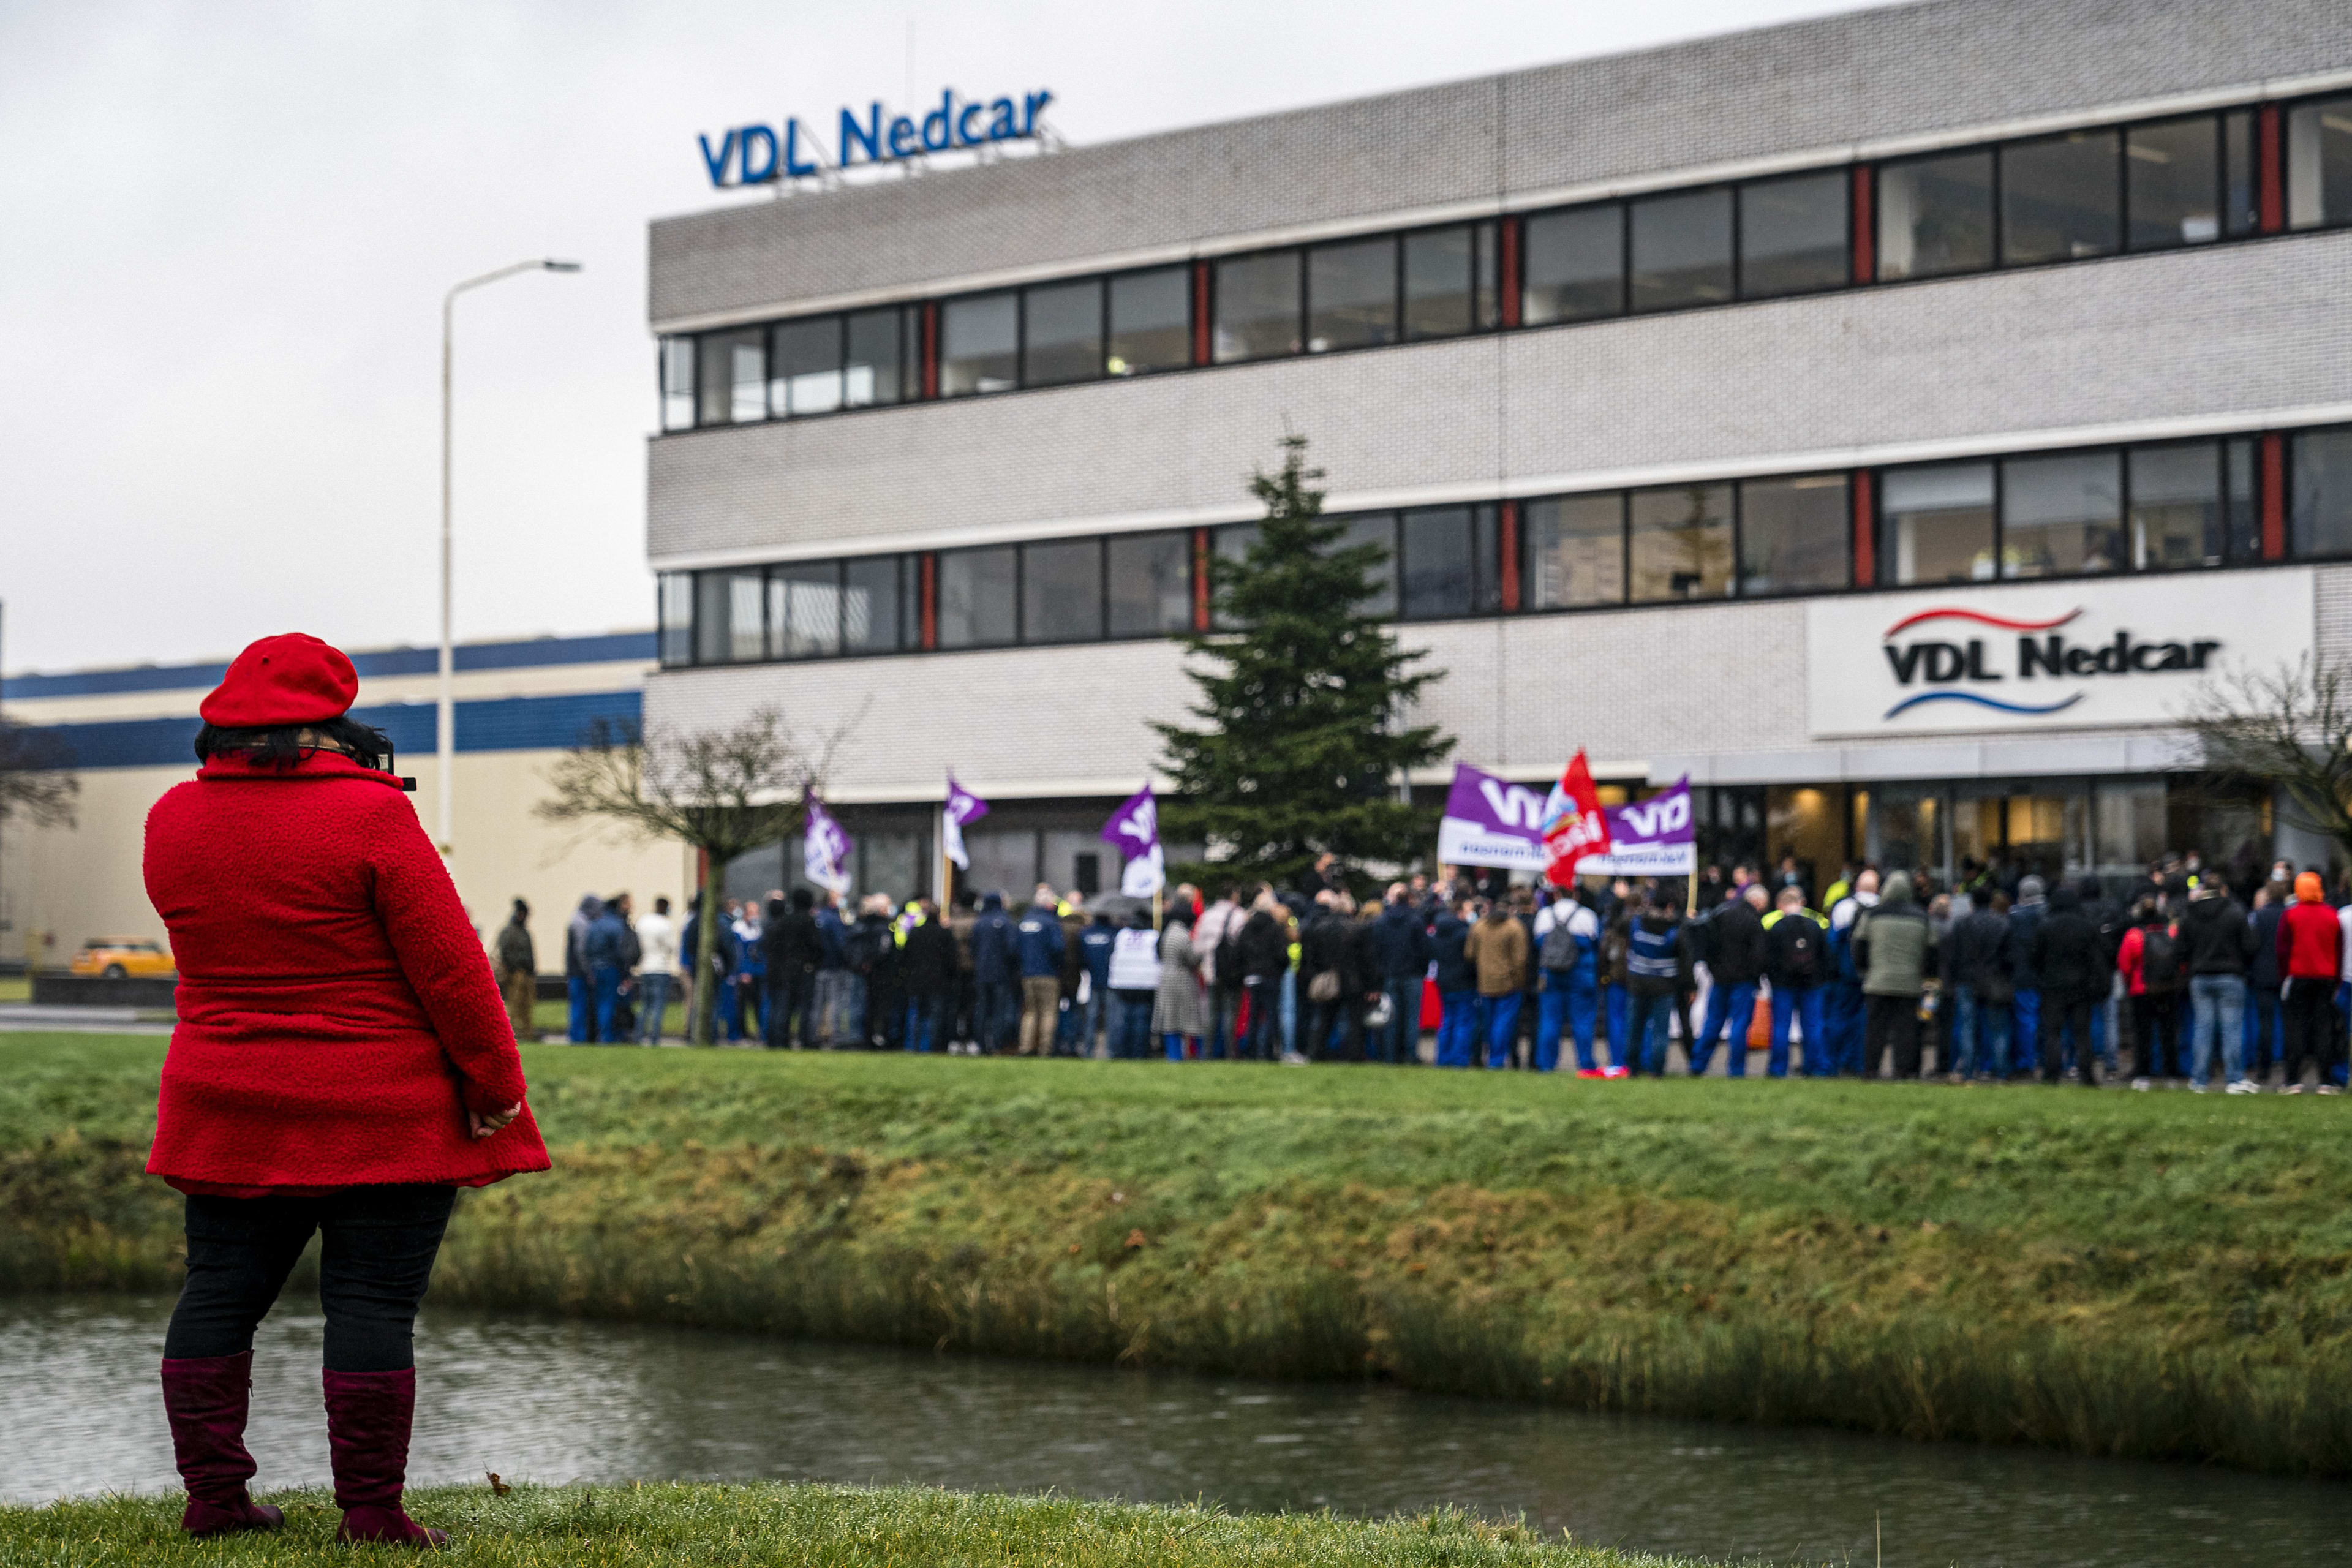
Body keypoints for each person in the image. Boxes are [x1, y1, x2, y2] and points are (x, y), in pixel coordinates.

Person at [145, 632, 549, 1546]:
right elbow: (453, 972)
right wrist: (494, 1085)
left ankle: (214, 1499)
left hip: (227, 1103)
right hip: (383, 1115)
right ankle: (370, 1513)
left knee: (217, 1295)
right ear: (331, 726)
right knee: (370, 1308)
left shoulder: (170, 819)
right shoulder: (370, 819)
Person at [2181, 872, 2258, 1092]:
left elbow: (2181, 948)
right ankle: (2234, 1078)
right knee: (2232, 1028)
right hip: (2231, 975)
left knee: (2203, 1027)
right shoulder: (2235, 912)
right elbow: (2251, 946)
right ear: (2223, 889)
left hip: (2200, 976)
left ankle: (2199, 1079)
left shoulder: (2191, 914)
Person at [1853, 870, 1934, 1080]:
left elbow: (1858, 946)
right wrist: (1924, 973)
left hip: (1877, 981)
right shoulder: (1921, 916)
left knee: (1875, 1029)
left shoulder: (1872, 915)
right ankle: (1902, 1070)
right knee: (1905, 1030)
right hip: (1910, 982)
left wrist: (1865, 971)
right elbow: (1933, 949)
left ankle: (1871, 1070)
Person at [2030, 884, 2109, 1086]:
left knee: (2053, 1032)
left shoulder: (2046, 926)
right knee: (2082, 1033)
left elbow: (2035, 958)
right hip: (2081, 986)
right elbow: (2097, 958)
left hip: (2053, 986)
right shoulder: (2086, 926)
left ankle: (2052, 1073)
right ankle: (2086, 1074)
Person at [1691, 883, 1768, 1078]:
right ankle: (1736, 1069)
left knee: (1712, 1023)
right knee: (1739, 1026)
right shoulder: (1753, 921)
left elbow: (1707, 943)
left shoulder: (1720, 914)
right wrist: (1754, 976)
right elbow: (1759, 956)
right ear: (1758, 902)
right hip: (1744, 982)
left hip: (1720, 979)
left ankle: (1698, 1064)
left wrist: (1713, 969)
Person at [2278, 871, 2342, 1093]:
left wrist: (2284, 976)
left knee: (2295, 1028)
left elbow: (2283, 950)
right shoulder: (2331, 915)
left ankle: (2292, 1079)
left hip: (2298, 976)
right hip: (2325, 977)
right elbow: (2339, 949)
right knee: (2324, 1029)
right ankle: (2326, 1080)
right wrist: (2336, 979)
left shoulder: (2291, 915)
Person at [1941, 889, 2013, 1083]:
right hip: (1994, 979)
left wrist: (1951, 979)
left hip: (1967, 979)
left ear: (1972, 903)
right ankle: (2000, 1073)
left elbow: (1952, 955)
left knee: (1967, 1027)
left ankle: (1968, 1072)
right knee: (1998, 1028)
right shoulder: (2002, 923)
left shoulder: (1962, 924)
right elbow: (2009, 957)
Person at [1761, 887, 1829, 1079]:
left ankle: (1778, 1069)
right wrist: (1820, 978)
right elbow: (1825, 956)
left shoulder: (1777, 927)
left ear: (1780, 905)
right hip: (1811, 984)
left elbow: (1769, 958)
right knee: (1813, 1027)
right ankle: (1815, 1067)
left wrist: (1773, 980)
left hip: (1783, 985)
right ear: (1801, 903)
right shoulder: (1815, 925)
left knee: (1781, 1027)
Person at [1533, 887, 1600, 1073]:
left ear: (1556, 894)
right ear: (1576, 895)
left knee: (1550, 1021)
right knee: (1583, 1021)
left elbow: (1538, 943)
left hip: (1552, 974)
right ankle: (1586, 1064)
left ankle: (1546, 1064)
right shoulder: (1587, 915)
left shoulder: (1545, 915)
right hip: (1582, 975)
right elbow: (1596, 943)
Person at [1464, 896, 1529, 1069]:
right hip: (1509, 983)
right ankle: (1496, 1060)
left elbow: (1469, 953)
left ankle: (1484, 1056)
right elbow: (1520, 960)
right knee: (1503, 1023)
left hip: (1485, 982)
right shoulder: (1515, 928)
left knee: (1487, 1023)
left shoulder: (1478, 926)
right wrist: (1520, 981)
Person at [1371, 884, 1433, 1066]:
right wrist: (1421, 970)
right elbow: (1424, 950)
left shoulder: (1382, 921)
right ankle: (1410, 1055)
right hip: (1412, 974)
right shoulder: (1415, 921)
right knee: (1412, 1017)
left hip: (1390, 974)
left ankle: (1391, 1055)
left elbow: (1377, 950)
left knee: (1391, 1017)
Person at [1621, 895, 1680, 1076]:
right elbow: (1682, 955)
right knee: (1660, 1030)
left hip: (1638, 982)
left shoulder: (1638, 923)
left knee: (1634, 1028)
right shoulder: (1673, 929)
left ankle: (1633, 1068)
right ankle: (1657, 1070)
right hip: (1664, 985)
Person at [760, 889, 819, 1049]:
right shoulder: (809, 921)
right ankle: (805, 1039)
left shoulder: (785, 921)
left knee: (785, 1006)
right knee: (805, 1007)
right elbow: (816, 945)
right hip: (804, 968)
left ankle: (781, 1040)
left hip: (786, 968)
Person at [1298, 892, 1352, 1061]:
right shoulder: (1350, 927)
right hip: (1345, 977)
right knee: (1343, 1019)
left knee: (1321, 1018)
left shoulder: (1316, 926)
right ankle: (1344, 1054)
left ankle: (1315, 1052)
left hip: (1322, 976)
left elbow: (1310, 955)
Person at [899, 899, 958, 1053]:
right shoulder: (944, 934)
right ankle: (930, 1046)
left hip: (916, 980)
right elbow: (952, 960)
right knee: (934, 1016)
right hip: (937, 981)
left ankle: (912, 1045)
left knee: (915, 1014)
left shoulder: (915, 932)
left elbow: (905, 956)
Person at [1015, 886, 1067, 1057]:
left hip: (1027, 973)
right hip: (1048, 973)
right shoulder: (1051, 923)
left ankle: (1025, 1047)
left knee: (1030, 1012)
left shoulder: (1024, 922)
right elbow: (1058, 948)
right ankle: (1045, 1049)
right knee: (1048, 1012)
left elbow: (1016, 947)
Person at [1194, 886, 1246, 1059]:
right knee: (1230, 1014)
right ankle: (1230, 1055)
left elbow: (1197, 947)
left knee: (1211, 1014)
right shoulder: (1239, 915)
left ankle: (1207, 1054)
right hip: (1232, 973)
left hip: (1211, 972)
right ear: (1233, 895)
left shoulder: (1207, 916)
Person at [1154, 888, 1205, 1060]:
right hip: (1182, 979)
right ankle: (1198, 1055)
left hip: (1166, 978)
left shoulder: (1166, 933)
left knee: (1170, 1020)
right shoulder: (1183, 935)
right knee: (1189, 1019)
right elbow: (1192, 959)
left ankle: (1173, 1056)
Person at [2246, 878, 2289, 1084]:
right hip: (2286, 974)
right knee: (2290, 1022)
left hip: (2263, 974)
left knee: (2265, 1023)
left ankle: (2263, 1069)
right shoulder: (2289, 915)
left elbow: (2251, 946)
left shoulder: (2258, 917)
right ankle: (2290, 1066)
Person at [2007, 875, 2048, 1077]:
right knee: (2045, 1021)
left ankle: (2026, 1063)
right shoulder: (2048, 914)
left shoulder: (2014, 916)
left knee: (2025, 1021)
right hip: (2046, 976)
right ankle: (2046, 1059)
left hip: (2023, 976)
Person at [1428, 895, 1476, 1068]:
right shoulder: (1465, 933)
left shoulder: (1438, 933)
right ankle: (1460, 1059)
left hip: (1444, 981)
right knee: (1463, 1022)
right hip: (1464, 982)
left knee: (1447, 1021)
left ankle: (1443, 1058)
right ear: (1460, 912)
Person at [1108, 908, 1163, 1059]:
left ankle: (1121, 1052)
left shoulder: (1122, 935)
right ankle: (1139, 1053)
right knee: (1142, 1021)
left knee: (1123, 1021)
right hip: (1146, 984)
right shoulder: (1153, 936)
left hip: (1122, 983)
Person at [968, 891, 1017, 1055]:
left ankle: (981, 1043)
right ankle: (997, 1043)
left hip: (982, 973)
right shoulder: (1006, 922)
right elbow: (1012, 949)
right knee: (999, 1010)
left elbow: (973, 948)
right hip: (1001, 973)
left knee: (981, 1008)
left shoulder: (980, 923)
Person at [583, 894, 632, 1045]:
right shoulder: (617, 925)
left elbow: (587, 949)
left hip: (596, 968)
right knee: (609, 1003)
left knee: (599, 1002)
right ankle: (607, 1036)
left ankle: (600, 1034)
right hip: (611, 969)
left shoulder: (594, 925)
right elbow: (620, 952)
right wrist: (625, 973)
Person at [633, 895, 676, 1044]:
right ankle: (654, 1037)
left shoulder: (643, 921)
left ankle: (638, 1035)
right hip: (660, 968)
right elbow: (671, 947)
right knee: (658, 1004)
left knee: (645, 1004)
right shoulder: (665, 925)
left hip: (645, 967)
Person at [812, 892, 850, 1047]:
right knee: (834, 1002)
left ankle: (813, 1036)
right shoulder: (834, 920)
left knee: (817, 1004)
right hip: (834, 966)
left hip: (818, 966)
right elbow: (840, 944)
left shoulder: (818, 918)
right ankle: (835, 1038)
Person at [563, 893, 602, 1043]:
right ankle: (577, 1038)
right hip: (578, 973)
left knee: (578, 1005)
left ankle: (578, 1036)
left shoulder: (577, 919)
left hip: (575, 971)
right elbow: (581, 951)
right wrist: (588, 971)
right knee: (579, 1006)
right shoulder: (580, 922)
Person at [1078, 908, 1117, 1057]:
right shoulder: (1114, 933)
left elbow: (1081, 957)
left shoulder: (1085, 933)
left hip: (1092, 980)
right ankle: (1110, 1051)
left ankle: (1088, 1051)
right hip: (1111, 981)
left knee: (1091, 1017)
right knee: (1111, 1017)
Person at [494, 900, 535, 1039]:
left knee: (527, 1006)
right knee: (515, 1005)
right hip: (515, 974)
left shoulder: (523, 932)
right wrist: (513, 970)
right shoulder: (508, 932)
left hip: (527, 975)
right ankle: (514, 1034)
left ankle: (526, 1034)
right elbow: (504, 953)